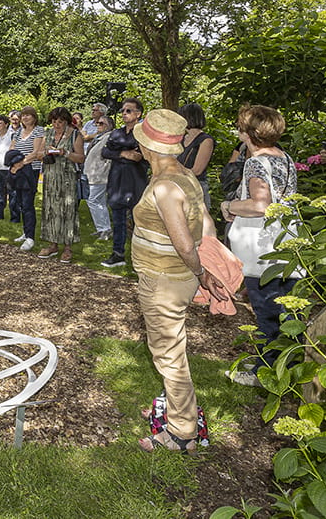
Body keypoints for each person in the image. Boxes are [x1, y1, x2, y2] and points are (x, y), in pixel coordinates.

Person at [131, 109, 230, 453]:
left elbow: (185, 243)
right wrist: (208, 266)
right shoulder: (185, 175)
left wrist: (203, 273)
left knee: (169, 355)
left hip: (164, 282)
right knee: (171, 350)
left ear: (146, 146)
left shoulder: (165, 187)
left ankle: (182, 432)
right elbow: (206, 226)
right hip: (176, 278)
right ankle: (176, 409)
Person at [220, 105, 299, 386]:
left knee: (265, 310)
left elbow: (260, 204)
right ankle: (281, 362)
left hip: (262, 246)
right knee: (284, 307)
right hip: (286, 240)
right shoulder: (285, 158)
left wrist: (229, 205)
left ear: (248, 132)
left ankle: (264, 374)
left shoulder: (255, 162)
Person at [101, 99, 148, 269]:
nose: (124, 113)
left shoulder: (143, 133)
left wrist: (122, 153)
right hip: (117, 180)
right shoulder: (116, 133)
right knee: (118, 219)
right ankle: (118, 254)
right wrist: (123, 153)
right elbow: (105, 151)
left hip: (135, 181)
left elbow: (141, 155)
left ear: (138, 114)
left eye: (128, 111)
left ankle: (141, 258)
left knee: (139, 221)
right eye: (123, 110)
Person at [38, 107, 85, 261]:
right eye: (54, 121)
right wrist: (46, 152)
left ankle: (68, 247)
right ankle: (52, 245)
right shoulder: (48, 134)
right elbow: (39, 154)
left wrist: (66, 153)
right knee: (51, 210)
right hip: (51, 177)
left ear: (66, 121)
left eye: (60, 122)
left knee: (67, 210)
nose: (56, 124)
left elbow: (81, 158)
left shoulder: (75, 135)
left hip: (67, 178)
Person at [8, 106, 46, 252]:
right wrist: (13, 163)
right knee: (19, 202)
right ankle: (26, 231)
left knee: (28, 202)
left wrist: (20, 163)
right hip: (17, 169)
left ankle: (30, 237)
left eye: (28, 115)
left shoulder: (38, 131)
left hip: (30, 169)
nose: (25, 118)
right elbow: (12, 149)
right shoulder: (18, 132)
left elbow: (36, 152)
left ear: (34, 117)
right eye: (23, 115)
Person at [177, 103, 214, 209]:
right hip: (178, 186)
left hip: (196, 187)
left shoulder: (206, 140)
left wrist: (172, 164)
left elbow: (197, 170)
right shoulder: (181, 138)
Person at [84, 115, 114, 240]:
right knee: (99, 201)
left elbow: (109, 156)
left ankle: (104, 229)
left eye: (101, 123)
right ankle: (103, 228)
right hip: (92, 173)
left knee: (93, 200)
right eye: (97, 123)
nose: (98, 125)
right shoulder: (99, 137)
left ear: (109, 125)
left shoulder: (109, 137)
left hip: (100, 174)